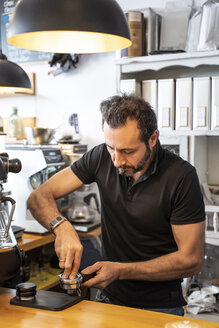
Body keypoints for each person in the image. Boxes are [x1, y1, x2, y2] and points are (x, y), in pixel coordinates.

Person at [27, 94, 205, 316]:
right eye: (111, 147)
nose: (117, 161)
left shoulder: (181, 176)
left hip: (160, 306)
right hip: (109, 298)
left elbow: (191, 260)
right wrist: (62, 227)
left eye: (128, 151)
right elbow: (38, 197)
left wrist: (120, 271)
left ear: (152, 139)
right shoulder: (101, 156)